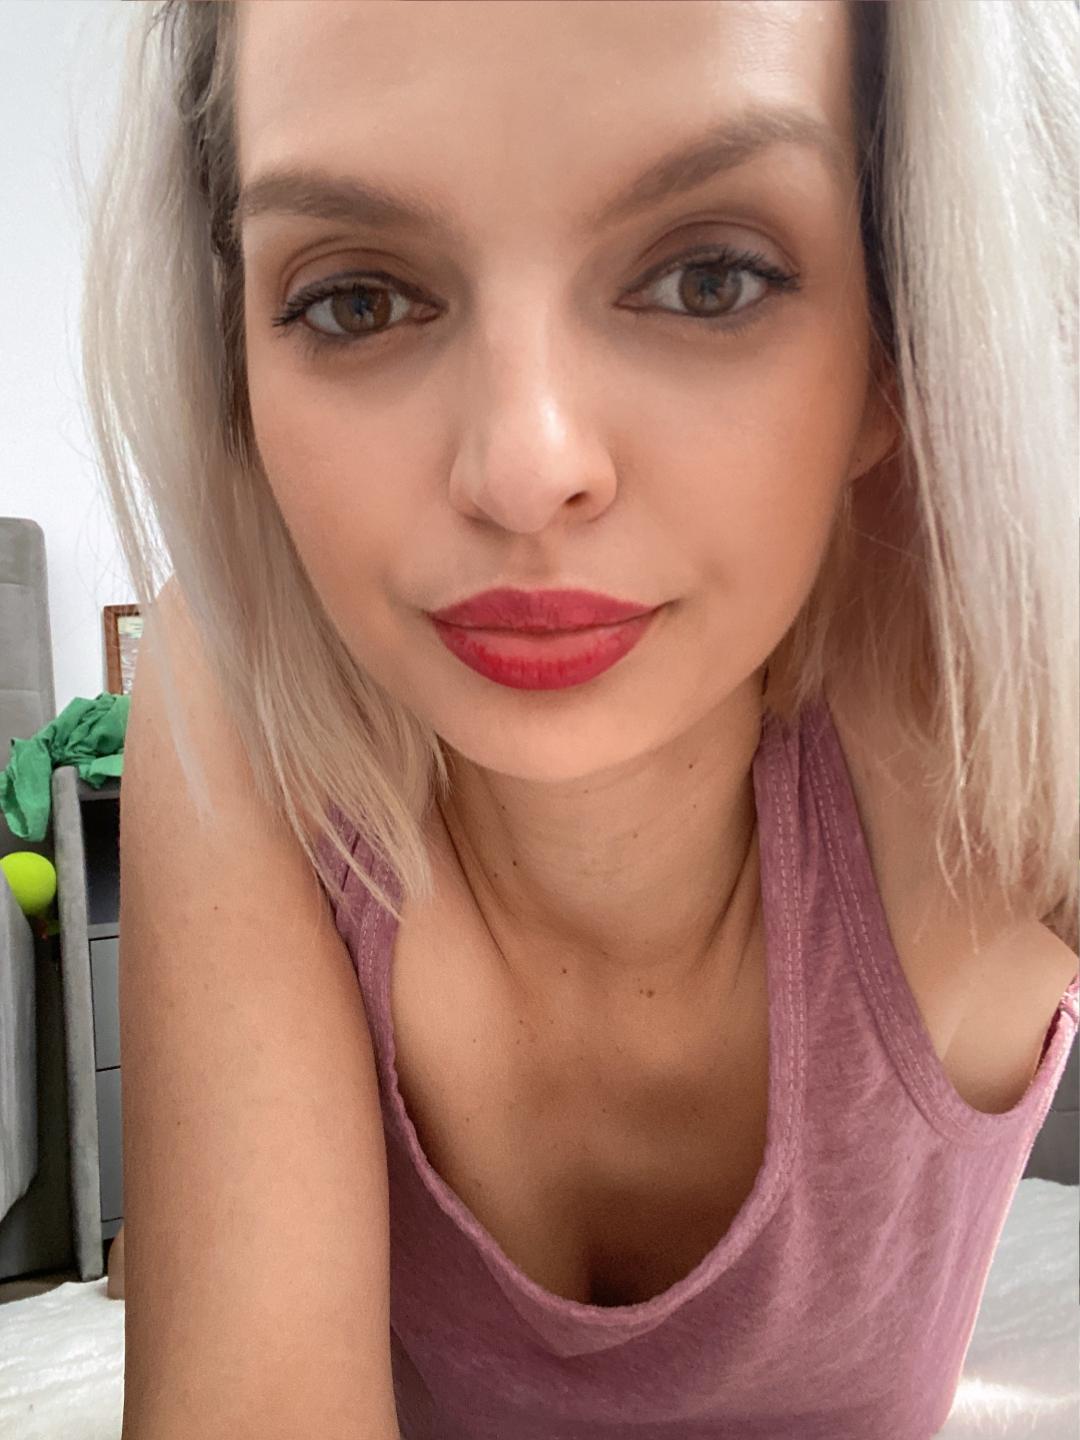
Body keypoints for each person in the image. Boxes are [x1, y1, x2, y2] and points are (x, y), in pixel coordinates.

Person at [78, 2, 1078, 1436]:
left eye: (710, 277)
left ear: (897, 333)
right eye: (357, 299)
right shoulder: (233, 686)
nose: (523, 466)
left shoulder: (993, 670)